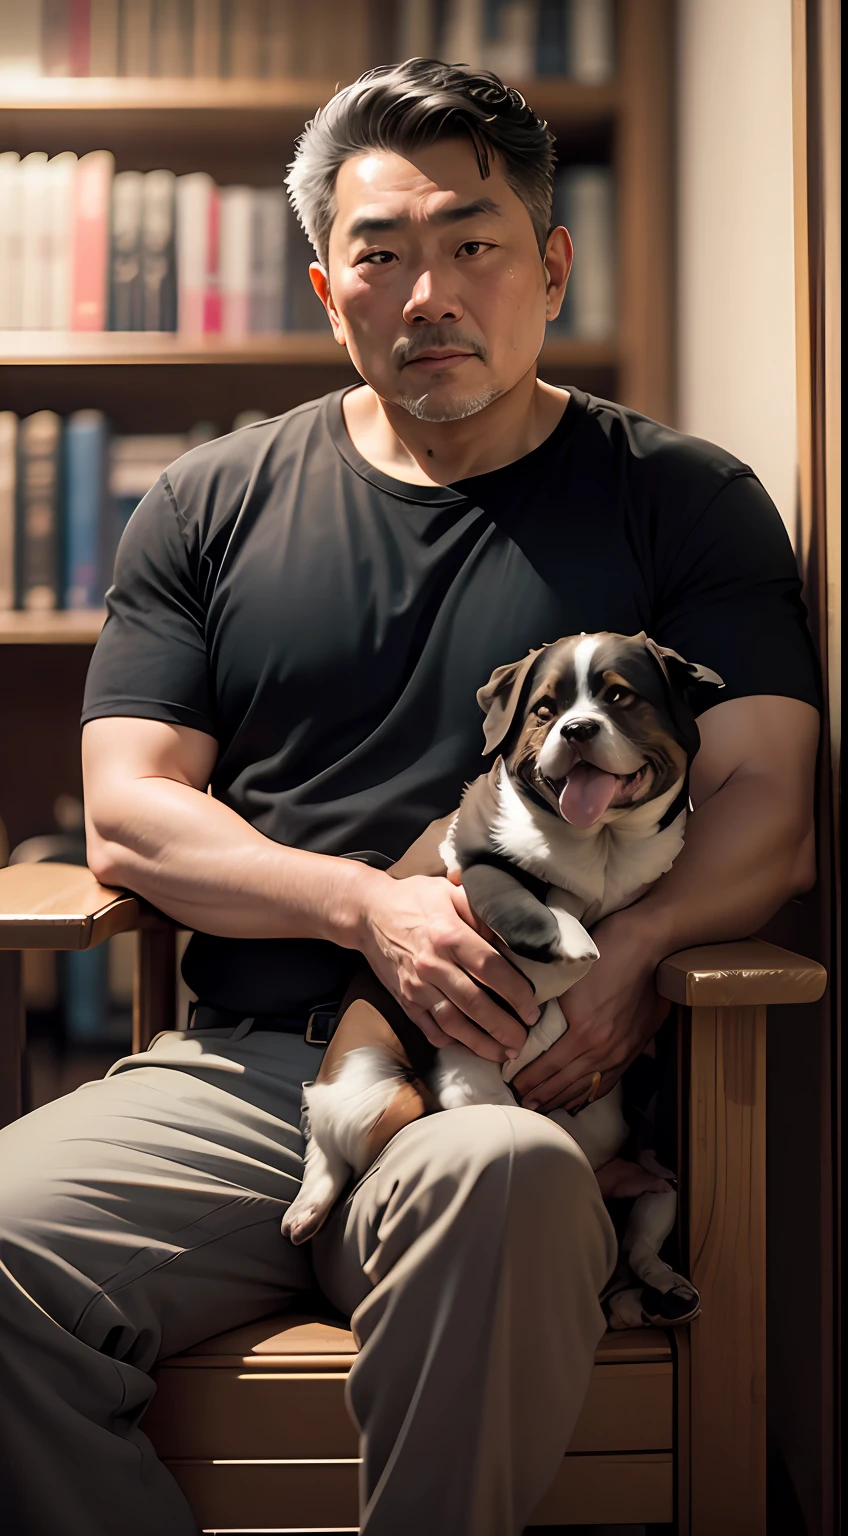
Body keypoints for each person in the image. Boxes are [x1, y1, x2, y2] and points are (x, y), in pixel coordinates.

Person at [0, 59, 820, 1536]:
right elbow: (128, 811)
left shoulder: (681, 498)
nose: (428, 289)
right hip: (245, 1072)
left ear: (552, 266)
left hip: (524, 1082)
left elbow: (769, 799)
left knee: (499, 1173)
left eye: (473, 242)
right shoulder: (206, 500)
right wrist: (370, 908)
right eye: (382, 253)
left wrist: (632, 958)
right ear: (328, 287)